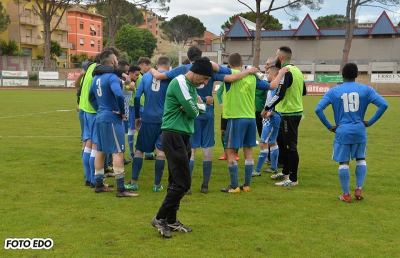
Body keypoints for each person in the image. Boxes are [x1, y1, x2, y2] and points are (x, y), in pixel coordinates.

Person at [150, 46, 255, 194]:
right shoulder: (209, 70)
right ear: (201, 55)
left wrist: (151, 69)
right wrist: (247, 71)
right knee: (207, 150)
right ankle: (205, 186)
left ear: (188, 56)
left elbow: (160, 76)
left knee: (191, 151)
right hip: (208, 113)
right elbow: (231, 78)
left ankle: (187, 186)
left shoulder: (182, 69)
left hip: (190, 113)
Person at [151, 57, 212, 238]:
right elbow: (194, 111)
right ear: (197, 72)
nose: (206, 82)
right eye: (205, 78)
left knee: (175, 181)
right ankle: (160, 217)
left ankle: (171, 220)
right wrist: (195, 106)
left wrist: (195, 106)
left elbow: (197, 108)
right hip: (173, 134)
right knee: (183, 183)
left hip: (184, 135)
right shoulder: (180, 82)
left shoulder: (192, 87)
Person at [315, 63, 388, 202]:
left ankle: (346, 195)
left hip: (342, 131)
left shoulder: (334, 91)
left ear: (342, 75)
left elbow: (318, 109)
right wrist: (370, 122)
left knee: (343, 162)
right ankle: (359, 188)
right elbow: (384, 104)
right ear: (356, 75)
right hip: (360, 130)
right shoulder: (366, 89)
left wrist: (329, 126)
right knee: (361, 159)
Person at [214, 53, 273, 193]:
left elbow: (214, 69)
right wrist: (282, 72)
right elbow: (272, 86)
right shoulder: (252, 76)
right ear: (242, 63)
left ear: (229, 63)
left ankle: (234, 186)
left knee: (230, 151)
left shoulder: (229, 73)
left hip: (235, 118)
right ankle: (246, 185)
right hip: (250, 118)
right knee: (248, 151)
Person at [89, 49, 138, 198]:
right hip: (111, 118)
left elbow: (91, 98)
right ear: (112, 62)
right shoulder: (111, 78)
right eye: (116, 59)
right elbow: (118, 94)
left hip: (100, 117)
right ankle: (121, 189)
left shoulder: (95, 79)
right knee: (118, 151)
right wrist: (121, 111)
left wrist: (100, 110)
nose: (118, 62)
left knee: (101, 150)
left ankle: (99, 185)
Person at [125, 57, 172, 192]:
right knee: (161, 152)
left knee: (139, 150)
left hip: (147, 118)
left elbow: (138, 96)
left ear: (157, 65)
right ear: (169, 67)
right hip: (164, 120)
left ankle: (134, 182)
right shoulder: (169, 78)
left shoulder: (145, 77)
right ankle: (157, 185)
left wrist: (138, 117)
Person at [263, 46, 306, 187]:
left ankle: (293, 179)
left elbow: (279, 93)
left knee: (290, 146)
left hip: (290, 114)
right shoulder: (297, 71)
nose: (275, 58)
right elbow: (304, 91)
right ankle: (286, 172)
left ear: (281, 58)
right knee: (282, 142)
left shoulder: (286, 72)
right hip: (288, 112)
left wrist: (267, 107)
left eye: (276, 56)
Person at [252, 65, 286, 177]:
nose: (267, 75)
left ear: (275, 75)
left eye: (269, 74)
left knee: (263, 143)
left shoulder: (276, 88)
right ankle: (273, 167)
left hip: (271, 118)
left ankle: (257, 170)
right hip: (273, 117)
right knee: (272, 142)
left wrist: (270, 112)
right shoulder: (275, 86)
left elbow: (276, 102)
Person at [127, 65, 141, 158]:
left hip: (137, 106)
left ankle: (137, 151)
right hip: (132, 107)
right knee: (131, 129)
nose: (137, 76)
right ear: (130, 73)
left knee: (138, 129)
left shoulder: (136, 80)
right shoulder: (126, 81)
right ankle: (132, 152)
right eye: (136, 75)